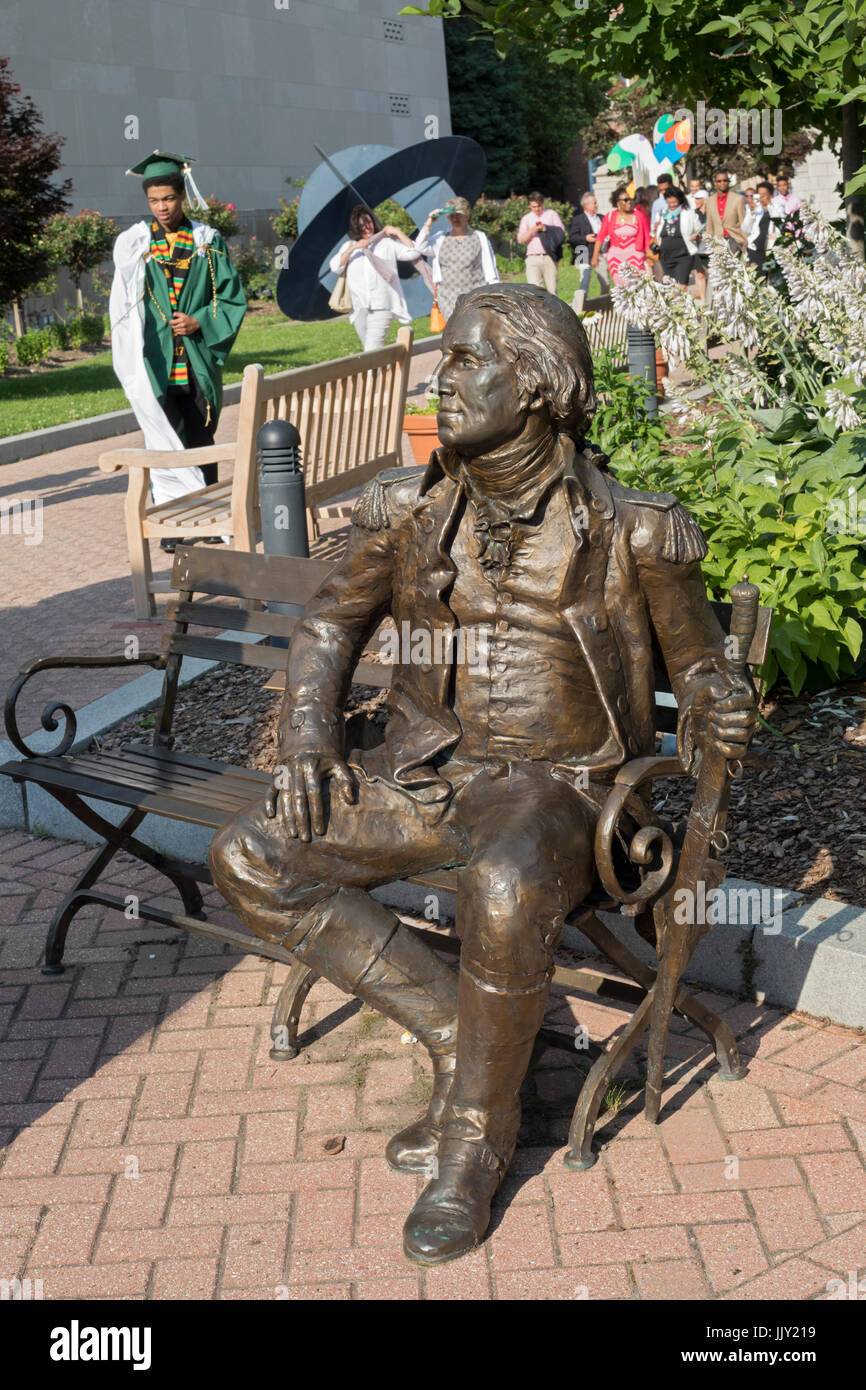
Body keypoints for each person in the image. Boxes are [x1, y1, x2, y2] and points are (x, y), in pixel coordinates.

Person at [209, 283, 756, 1267]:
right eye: (443, 360)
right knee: (252, 854)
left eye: (465, 361)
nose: (441, 380)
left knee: (502, 879)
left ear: (539, 383)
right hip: (427, 775)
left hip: (566, 799)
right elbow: (331, 621)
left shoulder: (633, 530)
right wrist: (304, 737)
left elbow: (700, 667)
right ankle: (460, 1044)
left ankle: (476, 1137)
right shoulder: (412, 515)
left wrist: (719, 698)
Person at [109, 152, 246, 546]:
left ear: (181, 195)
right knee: (163, 441)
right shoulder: (139, 244)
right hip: (157, 361)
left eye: (168, 198)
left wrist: (199, 320)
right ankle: (172, 522)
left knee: (201, 439)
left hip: (196, 360)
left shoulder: (207, 241)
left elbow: (231, 298)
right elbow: (124, 303)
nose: (162, 207)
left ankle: (211, 518)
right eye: (154, 200)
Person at [330, 205, 423, 351]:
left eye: (368, 222)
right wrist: (353, 248)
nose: (367, 227)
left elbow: (414, 252)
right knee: (372, 351)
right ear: (355, 228)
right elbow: (335, 266)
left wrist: (397, 232)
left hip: (383, 304)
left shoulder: (386, 244)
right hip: (359, 307)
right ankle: (383, 371)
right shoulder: (349, 245)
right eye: (361, 225)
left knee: (371, 350)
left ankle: (374, 373)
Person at [414, 196, 498, 323]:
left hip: (475, 295)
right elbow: (419, 247)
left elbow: (490, 267)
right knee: (456, 335)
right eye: (451, 216)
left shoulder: (479, 237)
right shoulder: (440, 238)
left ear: (468, 215)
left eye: (459, 215)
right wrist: (430, 222)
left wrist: (496, 292)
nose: (455, 219)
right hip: (448, 298)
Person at [592, 186, 650, 284]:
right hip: (615, 256)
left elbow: (647, 237)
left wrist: (649, 256)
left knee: (636, 284)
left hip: (635, 255)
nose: (629, 202)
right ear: (617, 202)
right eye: (626, 200)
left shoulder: (638, 215)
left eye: (630, 199)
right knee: (621, 286)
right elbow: (600, 237)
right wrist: (595, 256)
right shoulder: (610, 216)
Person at [517, 191, 566, 294]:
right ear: (530, 205)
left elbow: (561, 232)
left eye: (538, 206)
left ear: (542, 203)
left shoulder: (551, 214)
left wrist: (546, 228)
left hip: (549, 257)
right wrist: (532, 230)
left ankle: (553, 310)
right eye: (533, 207)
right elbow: (520, 240)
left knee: (552, 291)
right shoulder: (526, 218)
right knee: (535, 291)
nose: (536, 209)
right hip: (532, 258)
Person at [657, 184, 703, 292]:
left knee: (682, 286)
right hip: (666, 257)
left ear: (680, 200)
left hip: (683, 256)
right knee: (671, 288)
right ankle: (676, 309)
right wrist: (655, 228)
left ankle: (684, 307)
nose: (672, 205)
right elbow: (658, 233)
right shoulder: (663, 214)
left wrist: (697, 236)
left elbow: (700, 230)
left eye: (674, 203)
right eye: (669, 203)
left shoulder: (688, 213)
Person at [568, 192, 609, 301]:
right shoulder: (578, 219)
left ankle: (603, 305)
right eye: (594, 203)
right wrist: (585, 238)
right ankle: (582, 307)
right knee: (584, 283)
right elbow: (572, 238)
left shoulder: (602, 218)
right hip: (584, 254)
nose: (597, 205)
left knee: (606, 283)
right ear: (586, 205)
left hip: (600, 254)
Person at [704, 169, 748, 253]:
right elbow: (709, 225)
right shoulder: (710, 201)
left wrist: (745, 245)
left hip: (734, 240)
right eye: (719, 181)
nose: (722, 183)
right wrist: (710, 244)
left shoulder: (738, 199)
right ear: (715, 183)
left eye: (725, 180)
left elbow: (744, 223)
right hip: (718, 242)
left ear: (728, 182)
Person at [743, 181, 778, 272]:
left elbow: (779, 221)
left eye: (764, 194)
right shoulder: (754, 208)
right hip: (755, 248)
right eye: (759, 194)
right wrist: (751, 213)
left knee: (769, 274)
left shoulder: (777, 207)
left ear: (770, 195)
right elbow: (746, 228)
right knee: (758, 276)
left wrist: (769, 205)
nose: (761, 197)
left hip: (770, 248)